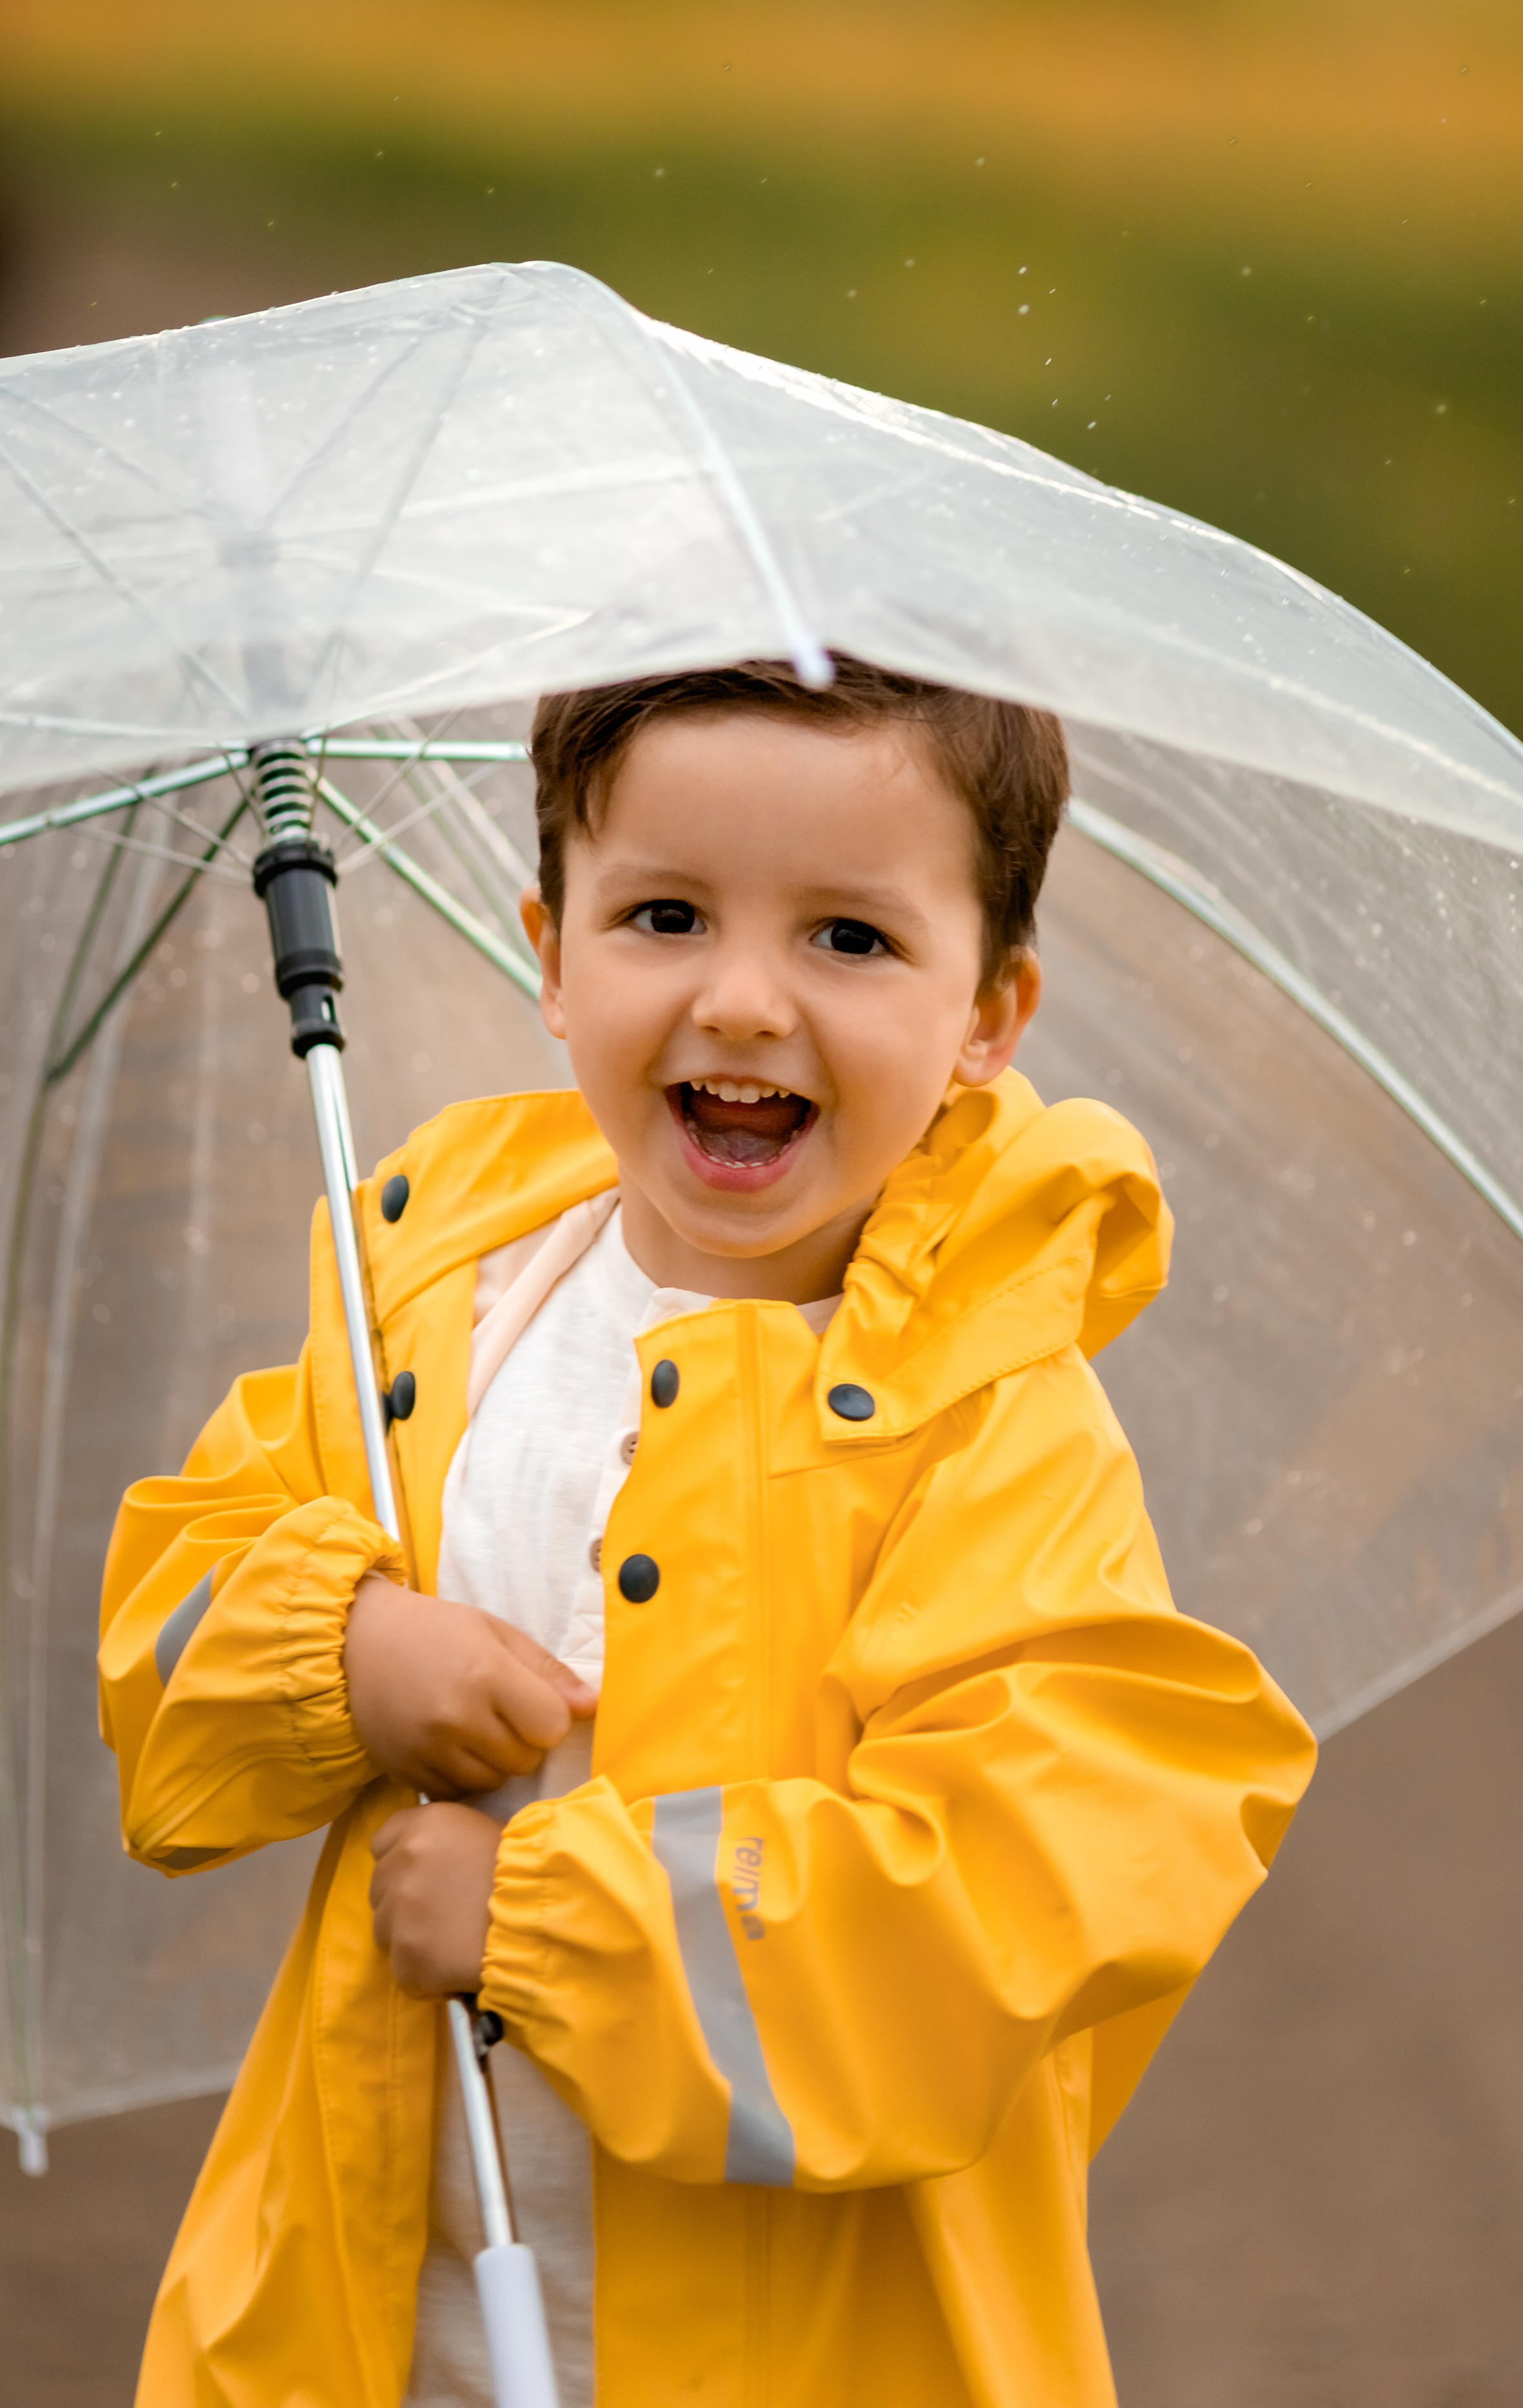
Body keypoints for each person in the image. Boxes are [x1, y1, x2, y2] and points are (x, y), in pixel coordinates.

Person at [99, 656, 1316, 2408]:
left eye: (850, 938)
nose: (743, 1003)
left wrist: (537, 1923)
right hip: (370, 2335)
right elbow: (168, 1633)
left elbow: (1017, 1895)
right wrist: (339, 1650)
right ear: (552, 953)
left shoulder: (987, 1428)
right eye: (665, 917)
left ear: (990, 1012)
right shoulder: (433, 1307)